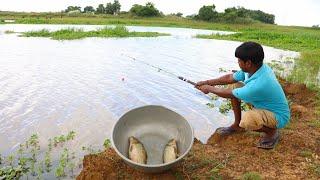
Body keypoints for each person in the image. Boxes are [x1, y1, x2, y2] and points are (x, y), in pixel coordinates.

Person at [195, 41, 290, 149]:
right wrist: (207, 82)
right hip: (263, 105)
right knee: (234, 85)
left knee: (248, 120)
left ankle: (272, 132)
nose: (238, 63)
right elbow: (230, 78)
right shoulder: (256, 68)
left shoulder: (258, 84)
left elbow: (229, 94)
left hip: (278, 116)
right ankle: (236, 125)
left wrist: (209, 88)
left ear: (248, 63)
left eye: (239, 60)